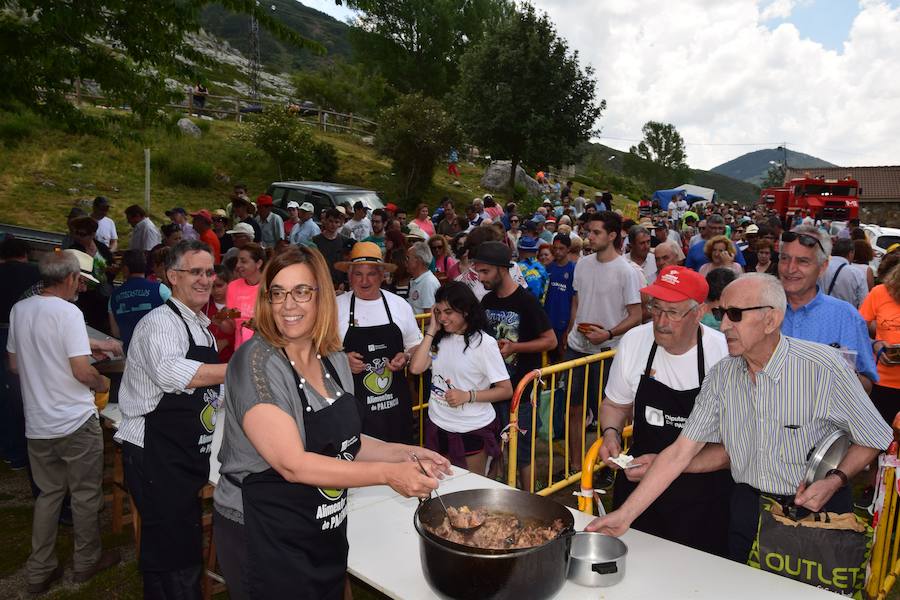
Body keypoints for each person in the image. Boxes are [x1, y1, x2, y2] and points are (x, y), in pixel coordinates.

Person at [587, 273, 892, 564]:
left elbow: (875, 436)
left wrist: (835, 481)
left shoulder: (821, 366)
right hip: (746, 506)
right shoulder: (722, 375)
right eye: (721, 313)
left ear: (771, 319)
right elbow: (681, 452)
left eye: (735, 314)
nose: (723, 325)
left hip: (813, 511)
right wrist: (624, 516)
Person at [213, 246, 447, 599]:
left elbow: (344, 442)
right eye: (278, 293)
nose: (288, 305)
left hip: (321, 522)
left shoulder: (334, 358)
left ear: (323, 296)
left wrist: (403, 454)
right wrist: (387, 474)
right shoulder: (256, 363)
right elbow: (292, 464)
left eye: (302, 291)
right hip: (263, 531)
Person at [117, 240, 226, 598]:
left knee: (177, 538)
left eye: (209, 272)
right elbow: (171, 373)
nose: (205, 279)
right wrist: (239, 368)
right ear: (172, 276)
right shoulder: (161, 323)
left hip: (182, 452)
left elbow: (212, 393)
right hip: (155, 451)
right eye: (195, 271)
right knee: (172, 546)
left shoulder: (202, 327)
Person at [598, 265, 732, 556]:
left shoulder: (724, 355)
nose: (660, 321)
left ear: (699, 313)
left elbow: (735, 449)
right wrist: (610, 433)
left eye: (673, 312)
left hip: (703, 495)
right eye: (656, 308)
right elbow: (615, 404)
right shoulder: (635, 341)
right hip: (638, 488)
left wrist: (664, 464)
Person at [7, 251, 120, 594]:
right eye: (82, 282)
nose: (82, 289)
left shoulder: (20, 309)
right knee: (86, 495)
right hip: (74, 419)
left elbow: (15, 364)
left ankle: (39, 569)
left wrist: (81, 349)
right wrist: (102, 383)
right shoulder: (69, 312)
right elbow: (82, 371)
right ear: (71, 278)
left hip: (38, 423)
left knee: (48, 496)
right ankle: (86, 562)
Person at [473, 242, 557, 485]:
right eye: (478, 272)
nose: (480, 278)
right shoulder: (487, 301)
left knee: (522, 452)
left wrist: (515, 347)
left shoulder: (527, 301)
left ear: (502, 269)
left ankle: (528, 498)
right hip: (493, 389)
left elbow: (550, 341)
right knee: (494, 445)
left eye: (485, 272)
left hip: (522, 391)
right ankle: (494, 488)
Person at [409, 282, 512, 474]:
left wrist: (468, 396)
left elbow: (505, 389)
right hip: (437, 424)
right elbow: (416, 368)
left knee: (471, 491)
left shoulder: (484, 343)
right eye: (438, 311)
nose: (442, 318)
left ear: (465, 311)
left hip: (471, 428)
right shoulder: (439, 338)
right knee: (441, 486)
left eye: (448, 312)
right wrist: (432, 329)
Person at [565, 212, 643, 461]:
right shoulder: (582, 264)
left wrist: (608, 333)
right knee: (573, 408)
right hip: (577, 347)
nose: (590, 237)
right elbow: (576, 300)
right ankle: (576, 465)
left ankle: (608, 462)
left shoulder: (626, 271)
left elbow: (636, 315)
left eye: (596, 232)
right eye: (589, 231)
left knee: (609, 411)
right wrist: (571, 329)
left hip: (608, 352)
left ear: (612, 235)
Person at [336, 242, 422, 443]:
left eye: (372, 273)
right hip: (352, 411)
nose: (364, 280)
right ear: (349, 275)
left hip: (395, 410)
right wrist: (341, 360)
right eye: (358, 274)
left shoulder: (399, 305)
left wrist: (407, 356)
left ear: (382, 275)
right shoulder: (334, 308)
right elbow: (316, 351)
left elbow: (415, 345)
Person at [779, 225, 878, 393]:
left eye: (803, 261)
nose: (790, 268)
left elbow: (867, 386)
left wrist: (843, 372)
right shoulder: (758, 308)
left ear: (823, 267)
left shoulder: (846, 317)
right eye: (785, 258)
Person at [860, 261, 900, 426]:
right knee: (877, 441)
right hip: (882, 382)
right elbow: (857, 331)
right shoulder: (879, 293)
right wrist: (875, 344)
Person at [109, 250, 172, 352]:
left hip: (131, 354)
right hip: (161, 351)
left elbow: (115, 331)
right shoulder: (161, 289)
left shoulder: (114, 296)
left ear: (125, 269)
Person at [226, 242, 266, 352]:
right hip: (241, 351)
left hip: (266, 351)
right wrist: (222, 317)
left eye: (243, 261)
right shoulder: (233, 286)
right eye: (238, 261)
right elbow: (232, 320)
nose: (238, 265)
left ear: (258, 264)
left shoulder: (271, 286)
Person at [544, 234, 576, 359]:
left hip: (563, 321)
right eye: (555, 248)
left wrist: (570, 327)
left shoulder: (574, 269)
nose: (557, 251)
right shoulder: (548, 267)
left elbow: (575, 300)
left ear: (568, 249)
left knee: (562, 355)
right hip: (547, 319)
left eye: (561, 248)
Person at [313, 208, 354, 291]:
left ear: (340, 224)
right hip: (320, 284)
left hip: (339, 286)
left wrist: (344, 282)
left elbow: (347, 264)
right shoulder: (315, 241)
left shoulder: (345, 241)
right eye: (331, 221)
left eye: (336, 222)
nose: (333, 225)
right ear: (325, 221)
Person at [821, 238, 868, 308]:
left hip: (821, 313)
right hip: (847, 316)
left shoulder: (820, 268)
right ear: (850, 253)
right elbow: (864, 302)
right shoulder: (857, 273)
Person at [205, 265, 235, 364]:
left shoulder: (235, 306)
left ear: (229, 284)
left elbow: (239, 329)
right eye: (212, 286)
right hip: (209, 359)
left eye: (220, 285)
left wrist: (227, 341)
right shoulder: (205, 305)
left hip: (232, 360)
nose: (216, 290)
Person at [406, 241, 441, 314]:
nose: (406, 262)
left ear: (418, 260)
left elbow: (429, 315)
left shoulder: (428, 283)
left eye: (408, 258)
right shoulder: (419, 280)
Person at [516, 235, 549, 302]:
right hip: (540, 308)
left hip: (523, 307)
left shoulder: (517, 267)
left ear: (520, 251)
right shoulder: (542, 267)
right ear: (535, 252)